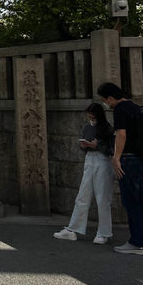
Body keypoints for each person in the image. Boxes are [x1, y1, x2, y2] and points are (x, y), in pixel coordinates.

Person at [97, 82, 143, 255]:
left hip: (128, 159)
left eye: (105, 100)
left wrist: (116, 158)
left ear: (110, 98)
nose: (105, 104)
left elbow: (121, 134)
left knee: (131, 201)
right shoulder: (136, 108)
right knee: (140, 200)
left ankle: (137, 242)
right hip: (141, 159)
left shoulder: (120, 109)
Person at [53, 103, 115, 245]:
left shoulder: (107, 129)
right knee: (82, 196)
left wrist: (97, 146)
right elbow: (85, 146)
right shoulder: (87, 127)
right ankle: (73, 229)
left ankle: (104, 233)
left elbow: (111, 149)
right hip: (90, 159)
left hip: (103, 161)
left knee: (103, 198)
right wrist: (84, 146)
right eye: (89, 117)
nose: (91, 119)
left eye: (93, 117)